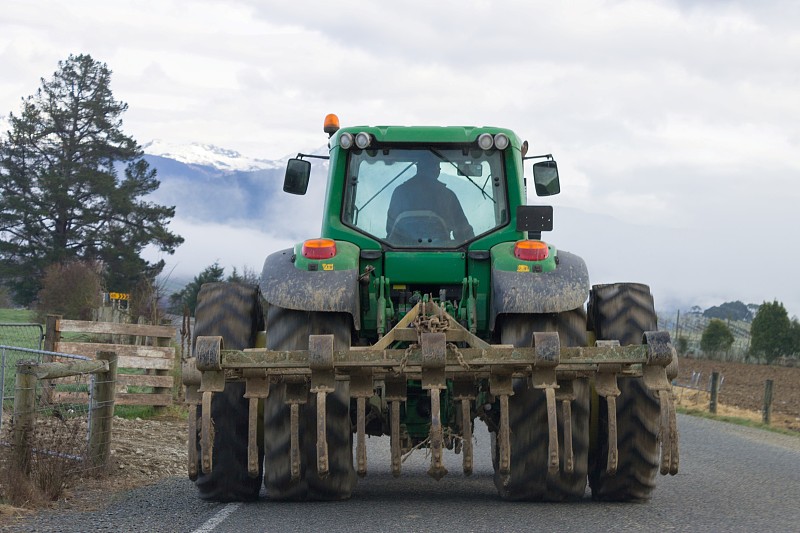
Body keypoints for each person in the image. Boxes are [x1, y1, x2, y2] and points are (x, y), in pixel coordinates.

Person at [386, 155, 474, 244]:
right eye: (438, 167)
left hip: (400, 252)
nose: (439, 170)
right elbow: (463, 231)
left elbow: (390, 228)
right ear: (435, 169)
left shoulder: (399, 192)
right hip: (443, 254)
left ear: (418, 168)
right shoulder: (447, 195)